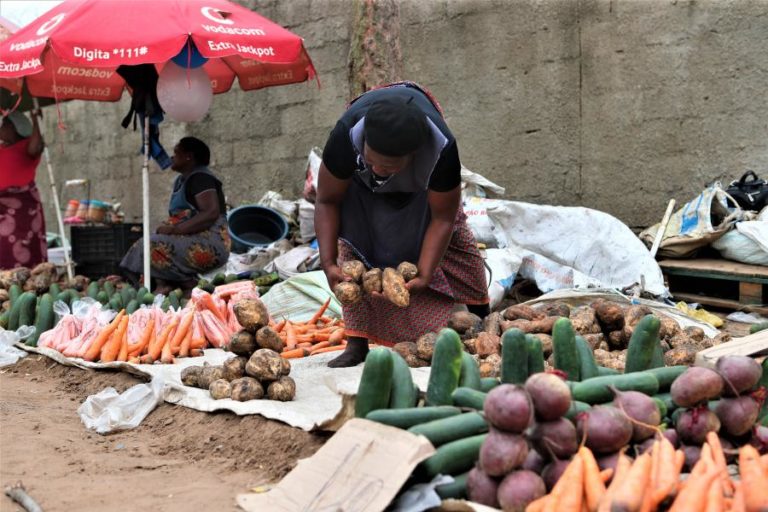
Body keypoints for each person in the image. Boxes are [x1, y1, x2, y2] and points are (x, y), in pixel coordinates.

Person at [316, 82, 490, 368]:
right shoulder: (346, 136)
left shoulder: (441, 149)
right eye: (372, 160)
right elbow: (327, 200)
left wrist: (426, 272)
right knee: (354, 253)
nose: (378, 170)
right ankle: (356, 343)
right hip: (361, 193)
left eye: (388, 167)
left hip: (423, 191)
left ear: (413, 155)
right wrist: (327, 261)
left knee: (459, 244)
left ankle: (484, 322)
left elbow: (443, 218)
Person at [120, 137, 230, 295]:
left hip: (210, 243)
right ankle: (166, 285)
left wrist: (175, 230)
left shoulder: (201, 178)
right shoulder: (182, 180)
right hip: (192, 239)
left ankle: (187, 284)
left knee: (152, 245)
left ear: (188, 156)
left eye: (176, 152)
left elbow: (210, 213)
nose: (172, 157)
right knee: (145, 245)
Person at [0, 110, 47, 270]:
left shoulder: (26, 145)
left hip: (23, 210)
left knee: (25, 247)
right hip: (2, 208)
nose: (1, 128)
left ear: (16, 128)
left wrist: (35, 121)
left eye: (5, 125)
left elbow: (36, 147)